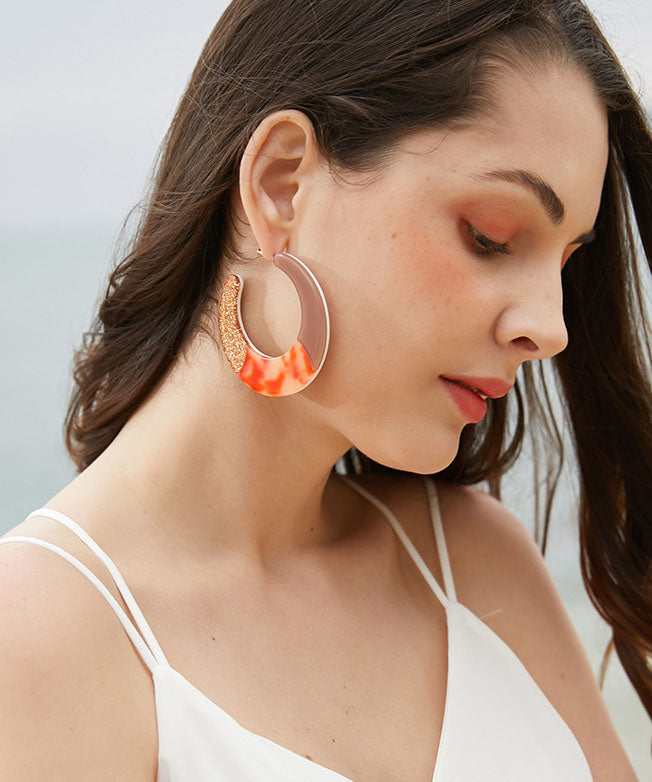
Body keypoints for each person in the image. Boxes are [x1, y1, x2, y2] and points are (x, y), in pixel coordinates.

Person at [1, 0, 650, 778]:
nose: (551, 328)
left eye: (565, 264)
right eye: (491, 236)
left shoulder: (476, 565)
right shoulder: (38, 642)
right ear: (282, 185)